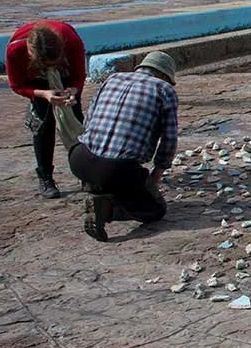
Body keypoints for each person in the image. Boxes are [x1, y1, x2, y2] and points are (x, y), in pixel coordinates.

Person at [69, 51, 179, 242]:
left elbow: (88, 121)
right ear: (164, 75)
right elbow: (169, 139)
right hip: (117, 169)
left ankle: (95, 187)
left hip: (79, 159)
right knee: (156, 210)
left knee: (106, 172)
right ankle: (108, 210)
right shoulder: (164, 90)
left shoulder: (113, 79)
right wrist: (155, 177)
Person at [5, 20, 87, 198]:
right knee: (43, 123)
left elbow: (79, 76)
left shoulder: (70, 41)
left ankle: (86, 172)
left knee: (75, 119)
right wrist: (44, 94)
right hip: (37, 82)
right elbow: (17, 85)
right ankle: (45, 177)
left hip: (65, 78)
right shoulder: (15, 50)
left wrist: (73, 91)